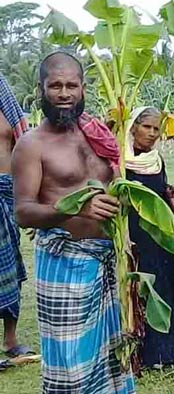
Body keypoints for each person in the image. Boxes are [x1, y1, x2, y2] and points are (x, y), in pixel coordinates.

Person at [12, 52, 134, 392]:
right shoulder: (31, 145)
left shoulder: (97, 134)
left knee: (111, 360)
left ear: (83, 88)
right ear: (42, 89)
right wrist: (75, 210)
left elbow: (114, 182)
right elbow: (23, 211)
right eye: (56, 86)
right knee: (71, 366)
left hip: (108, 260)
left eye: (71, 85)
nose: (64, 93)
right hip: (64, 264)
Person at [124, 106, 174, 368]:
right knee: (139, 290)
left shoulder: (156, 160)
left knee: (165, 287)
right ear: (133, 127)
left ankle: (170, 352)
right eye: (146, 127)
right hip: (134, 236)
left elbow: (161, 194)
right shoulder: (120, 160)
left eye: (156, 128)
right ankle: (143, 353)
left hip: (160, 237)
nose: (151, 133)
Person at [0, 73, 33, 370]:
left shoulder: (6, 99)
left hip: (9, 191)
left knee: (11, 265)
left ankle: (10, 340)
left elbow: (24, 140)